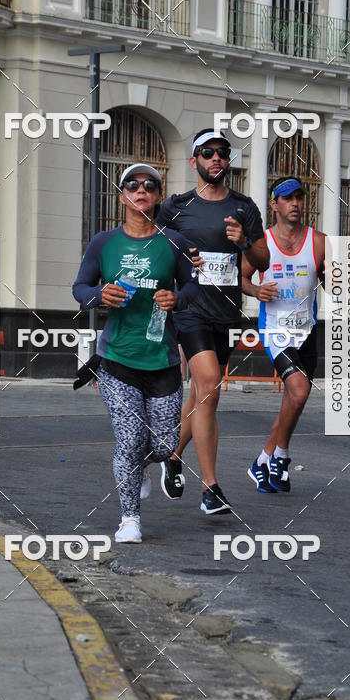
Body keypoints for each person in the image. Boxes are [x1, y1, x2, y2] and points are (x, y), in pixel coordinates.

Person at [72, 164, 198, 543]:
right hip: (117, 359)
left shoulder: (173, 241)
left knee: (161, 445)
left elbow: (194, 288)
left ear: (158, 196)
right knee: (129, 440)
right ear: (122, 196)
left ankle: (144, 465)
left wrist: (177, 298)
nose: (141, 190)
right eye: (132, 185)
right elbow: (80, 287)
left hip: (162, 359)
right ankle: (129, 519)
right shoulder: (104, 242)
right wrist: (99, 296)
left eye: (149, 185)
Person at [155, 129, 269, 514]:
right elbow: (153, 246)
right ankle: (210, 488)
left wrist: (244, 243)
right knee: (209, 387)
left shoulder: (244, 207)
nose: (216, 158)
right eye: (208, 152)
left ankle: (172, 455)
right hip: (189, 310)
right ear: (194, 161)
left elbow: (264, 260)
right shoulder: (175, 206)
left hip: (225, 314)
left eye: (222, 152)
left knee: (201, 395)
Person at [241, 176, 325, 493]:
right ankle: (282, 456)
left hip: (307, 330)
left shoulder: (319, 241)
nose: (295, 204)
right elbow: (242, 279)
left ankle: (262, 461)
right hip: (275, 328)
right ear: (274, 204)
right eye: (287, 198)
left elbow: (337, 284)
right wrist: (256, 290)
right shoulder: (261, 243)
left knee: (293, 400)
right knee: (300, 391)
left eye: (299, 198)